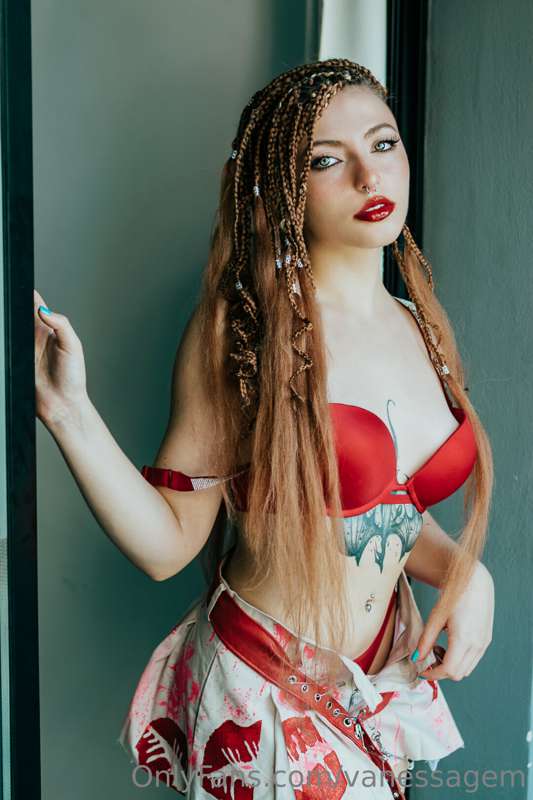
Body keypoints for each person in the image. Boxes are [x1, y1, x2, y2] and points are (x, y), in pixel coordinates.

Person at [34, 58, 495, 799]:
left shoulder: (418, 322)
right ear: (281, 187)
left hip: (381, 679)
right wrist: (67, 411)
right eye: (325, 160)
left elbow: (387, 513)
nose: (369, 176)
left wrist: (466, 573)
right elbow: (168, 546)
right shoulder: (244, 329)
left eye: (383, 144)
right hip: (267, 692)